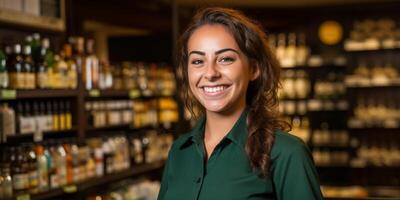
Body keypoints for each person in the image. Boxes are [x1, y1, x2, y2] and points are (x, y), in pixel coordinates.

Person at [157, 7, 323, 200]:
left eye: (225, 59)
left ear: (254, 69)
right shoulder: (179, 151)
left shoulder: (286, 153)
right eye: (197, 61)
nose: (210, 73)